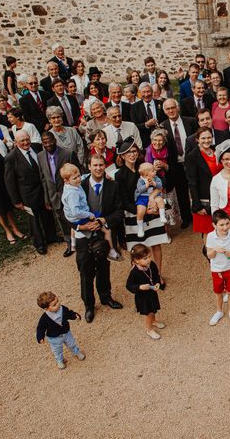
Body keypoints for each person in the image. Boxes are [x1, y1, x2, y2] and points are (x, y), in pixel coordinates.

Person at [74, 154, 124, 322]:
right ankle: (89, 305)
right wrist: (81, 226)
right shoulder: (78, 186)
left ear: (105, 166)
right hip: (83, 236)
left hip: (103, 233)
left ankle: (105, 297)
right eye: (95, 165)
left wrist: (103, 220)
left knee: (104, 268)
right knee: (86, 271)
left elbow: (119, 212)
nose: (98, 168)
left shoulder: (113, 185)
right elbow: (67, 212)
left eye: (101, 165)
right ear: (89, 166)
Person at [115, 138, 170, 272]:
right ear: (122, 156)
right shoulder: (119, 175)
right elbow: (123, 201)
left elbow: (161, 182)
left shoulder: (145, 166)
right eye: (128, 152)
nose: (132, 154)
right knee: (136, 249)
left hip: (152, 208)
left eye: (134, 151)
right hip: (134, 212)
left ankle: (158, 274)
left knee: (156, 244)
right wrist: (144, 211)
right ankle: (141, 277)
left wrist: (153, 198)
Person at [4, 130, 59, 254]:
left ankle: (52, 236)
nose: (25, 142)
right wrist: (16, 201)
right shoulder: (11, 158)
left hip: (43, 190)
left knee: (47, 214)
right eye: (22, 141)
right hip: (27, 194)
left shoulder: (37, 147)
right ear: (16, 142)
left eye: (27, 139)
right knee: (34, 220)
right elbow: (10, 182)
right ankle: (39, 243)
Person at [60, 163, 121, 261]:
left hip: (72, 216)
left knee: (75, 229)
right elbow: (76, 212)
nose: (79, 179)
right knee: (106, 230)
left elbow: (84, 176)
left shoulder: (70, 185)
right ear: (66, 181)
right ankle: (111, 250)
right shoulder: (73, 194)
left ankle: (73, 244)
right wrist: (90, 215)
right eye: (75, 178)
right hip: (80, 216)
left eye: (79, 176)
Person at [37, 132, 80, 257]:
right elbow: (43, 179)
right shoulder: (40, 156)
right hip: (53, 196)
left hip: (70, 194)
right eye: (45, 142)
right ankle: (69, 244)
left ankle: (82, 242)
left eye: (50, 141)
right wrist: (47, 198)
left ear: (55, 140)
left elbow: (78, 173)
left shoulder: (68, 154)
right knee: (62, 221)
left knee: (75, 218)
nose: (48, 144)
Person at [159, 98, 195, 228]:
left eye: (173, 108)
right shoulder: (163, 126)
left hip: (192, 162)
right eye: (168, 109)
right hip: (176, 165)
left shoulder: (190, 122)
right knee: (181, 193)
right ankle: (187, 218)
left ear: (178, 108)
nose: (171, 111)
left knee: (195, 189)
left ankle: (199, 215)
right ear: (165, 111)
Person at [206, 209, 230, 327]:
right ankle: (219, 311)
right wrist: (215, 250)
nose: (225, 227)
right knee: (218, 292)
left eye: (227, 224)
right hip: (217, 269)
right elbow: (209, 255)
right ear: (214, 225)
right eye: (221, 225)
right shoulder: (211, 236)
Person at [185, 127, 223, 237]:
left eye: (209, 137)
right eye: (203, 138)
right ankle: (209, 254)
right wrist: (197, 206)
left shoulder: (217, 151)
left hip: (221, 196)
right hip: (205, 200)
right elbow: (192, 182)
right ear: (197, 139)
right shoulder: (192, 156)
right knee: (209, 232)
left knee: (222, 229)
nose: (207, 140)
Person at [36, 291, 85, 370]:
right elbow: (40, 328)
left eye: (57, 301)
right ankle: (60, 360)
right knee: (57, 350)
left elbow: (69, 313)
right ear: (46, 308)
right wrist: (40, 337)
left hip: (66, 332)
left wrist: (75, 316)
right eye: (54, 305)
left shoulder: (62, 308)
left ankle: (77, 352)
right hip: (54, 338)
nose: (58, 304)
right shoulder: (45, 318)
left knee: (72, 343)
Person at [125, 244, 165, 340]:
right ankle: (149, 329)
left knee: (154, 309)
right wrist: (139, 287)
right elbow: (129, 285)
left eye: (149, 257)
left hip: (151, 293)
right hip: (143, 297)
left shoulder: (151, 265)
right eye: (145, 258)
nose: (148, 260)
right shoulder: (134, 272)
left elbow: (156, 274)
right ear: (136, 260)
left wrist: (157, 283)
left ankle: (154, 321)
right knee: (149, 313)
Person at [134, 162, 167, 238]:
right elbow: (139, 190)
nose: (155, 171)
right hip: (142, 197)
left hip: (154, 195)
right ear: (146, 174)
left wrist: (154, 183)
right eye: (152, 171)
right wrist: (146, 185)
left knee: (160, 200)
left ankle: (162, 215)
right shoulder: (141, 180)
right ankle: (140, 228)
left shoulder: (156, 178)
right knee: (140, 211)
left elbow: (160, 185)